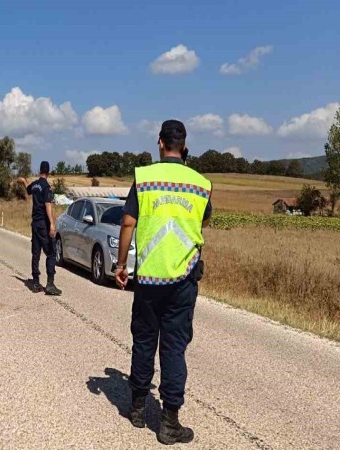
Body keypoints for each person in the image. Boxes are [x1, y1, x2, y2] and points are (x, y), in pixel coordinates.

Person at [115, 120, 212, 445]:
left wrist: (121, 264)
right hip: (183, 280)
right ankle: (170, 421)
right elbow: (204, 219)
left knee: (144, 340)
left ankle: (139, 408)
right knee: (173, 347)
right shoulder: (200, 183)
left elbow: (128, 222)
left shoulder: (144, 178)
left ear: (160, 143)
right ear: (184, 147)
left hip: (149, 279)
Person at [17, 161, 62, 296]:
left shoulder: (35, 185)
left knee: (36, 253)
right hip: (43, 223)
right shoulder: (46, 187)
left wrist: (24, 181)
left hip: (34, 223)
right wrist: (52, 224)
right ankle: (50, 284)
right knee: (51, 253)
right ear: (48, 172)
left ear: (40, 171)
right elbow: (48, 205)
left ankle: (35, 282)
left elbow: (28, 189)